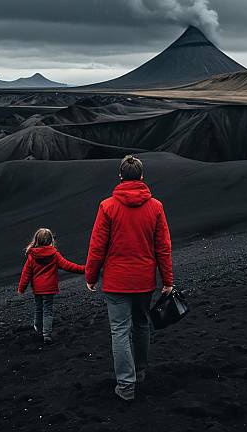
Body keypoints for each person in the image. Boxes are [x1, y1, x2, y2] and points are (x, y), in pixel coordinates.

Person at [86, 155, 173, 401]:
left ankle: (126, 386)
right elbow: (163, 247)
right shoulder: (156, 207)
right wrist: (167, 280)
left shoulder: (107, 206)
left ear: (121, 176)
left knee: (120, 331)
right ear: (142, 177)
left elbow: (97, 247)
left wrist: (91, 276)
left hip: (116, 282)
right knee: (141, 325)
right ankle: (141, 371)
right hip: (144, 280)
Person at [18, 228, 85, 345]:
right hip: (49, 289)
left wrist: (21, 288)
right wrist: (86, 269)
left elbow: (26, 274)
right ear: (50, 240)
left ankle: (38, 329)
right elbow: (68, 266)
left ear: (36, 240)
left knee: (38, 308)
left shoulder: (31, 255)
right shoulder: (54, 255)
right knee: (48, 310)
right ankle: (46, 334)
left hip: (37, 289)